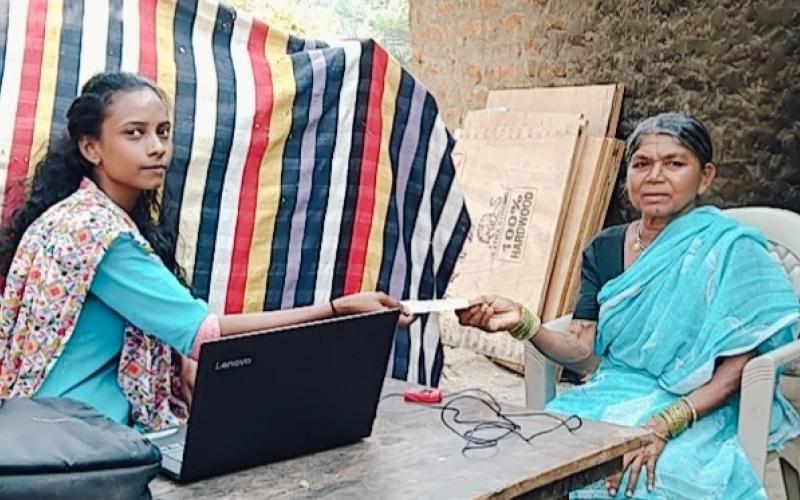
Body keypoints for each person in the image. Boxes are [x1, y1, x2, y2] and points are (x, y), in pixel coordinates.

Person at [0, 72, 411, 431]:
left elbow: (162, 324)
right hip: (82, 440)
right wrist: (337, 308)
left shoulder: (73, 215)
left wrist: (177, 357)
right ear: (91, 148)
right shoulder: (101, 234)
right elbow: (204, 333)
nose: (157, 146)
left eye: (162, 131)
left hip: (42, 425)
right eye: (134, 133)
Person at [458, 113, 800, 498]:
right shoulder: (603, 248)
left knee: (652, 479)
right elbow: (581, 348)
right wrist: (526, 323)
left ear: (705, 176)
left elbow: (741, 361)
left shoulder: (730, 247)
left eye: (674, 163)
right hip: (614, 390)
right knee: (534, 455)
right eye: (642, 164)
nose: (655, 176)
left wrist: (667, 422)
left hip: (703, 405)